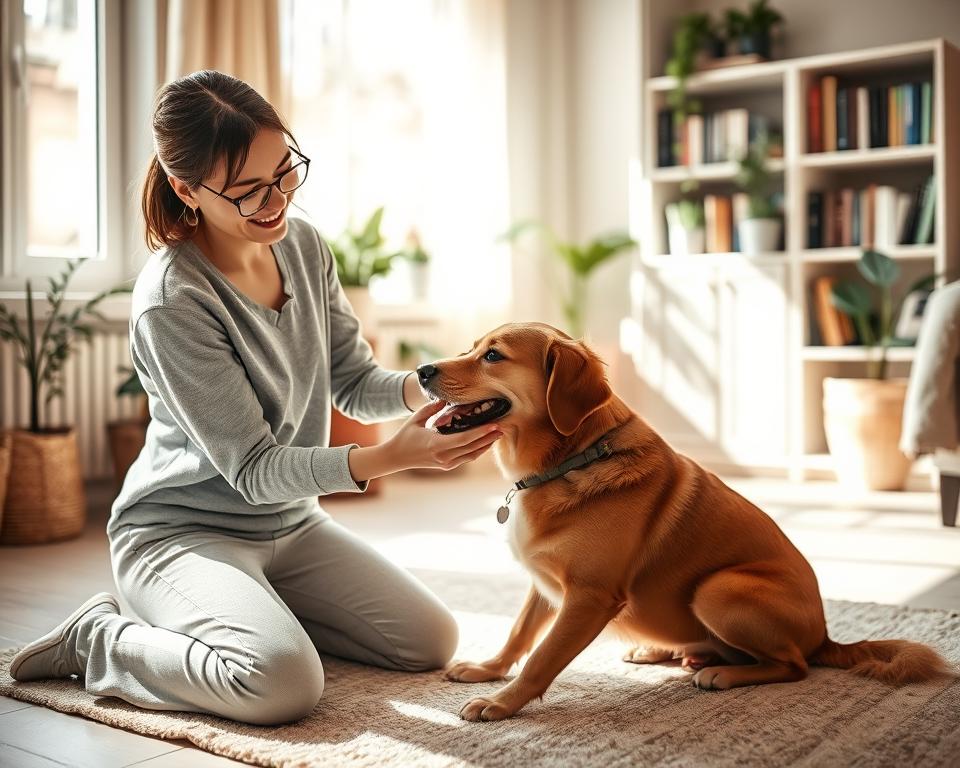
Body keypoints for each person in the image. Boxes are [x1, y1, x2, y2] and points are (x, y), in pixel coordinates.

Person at [10, 70, 502, 726]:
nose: (276, 200)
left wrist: (438, 386)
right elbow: (252, 470)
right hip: (181, 533)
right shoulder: (173, 301)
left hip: (291, 525)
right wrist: (393, 460)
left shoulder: (301, 246)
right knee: (281, 685)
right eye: (248, 191)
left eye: (285, 171)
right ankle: (101, 640)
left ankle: (251, 608)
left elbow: (354, 382)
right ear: (186, 189)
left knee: (427, 641)